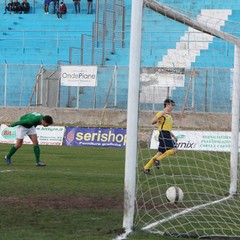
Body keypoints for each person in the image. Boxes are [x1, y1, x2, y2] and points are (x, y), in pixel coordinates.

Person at [142, 99, 178, 174]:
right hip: (163, 134)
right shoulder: (161, 113)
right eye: (172, 105)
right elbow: (153, 121)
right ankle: (158, 160)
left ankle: (146, 168)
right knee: (174, 150)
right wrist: (161, 115)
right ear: (167, 104)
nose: (172, 107)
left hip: (166, 134)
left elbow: (167, 129)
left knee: (159, 153)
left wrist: (174, 136)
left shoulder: (169, 116)